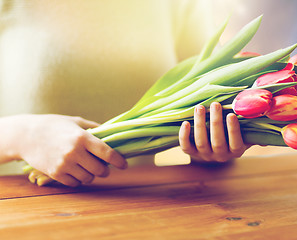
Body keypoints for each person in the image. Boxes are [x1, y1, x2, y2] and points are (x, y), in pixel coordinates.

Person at [0, 0, 248, 187]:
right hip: (23, 208)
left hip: (141, 208)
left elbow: (210, 100)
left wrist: (212, 149)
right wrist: (23, 135)